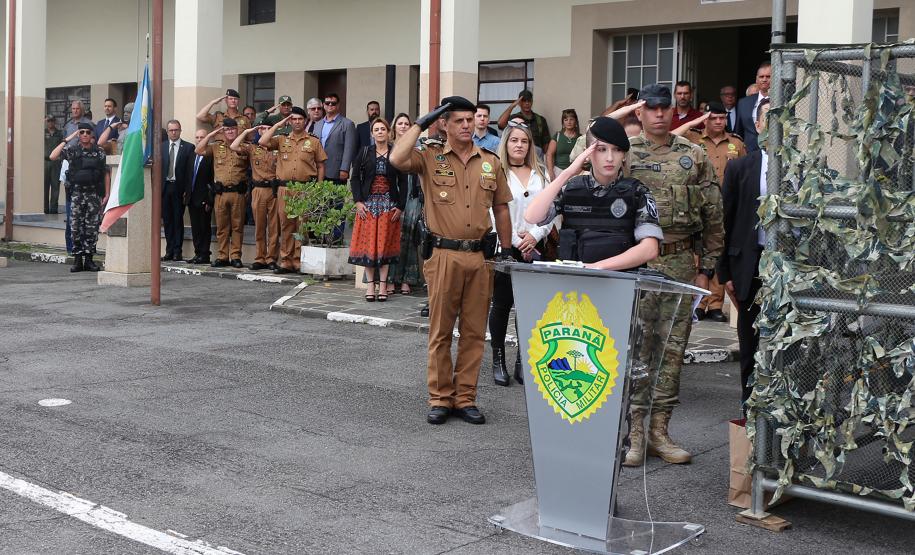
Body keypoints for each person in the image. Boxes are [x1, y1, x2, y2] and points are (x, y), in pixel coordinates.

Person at [391, 95, 514, 426]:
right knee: (441, 331)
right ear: (444, 124)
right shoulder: (429, 157)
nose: (466, 125)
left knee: (474, 332)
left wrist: (506, 250)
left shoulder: (490, 161)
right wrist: (419, 123)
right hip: (443, 255)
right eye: (458, 120)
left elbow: (501, 207)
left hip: (479, 258)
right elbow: (396, 157)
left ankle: (465, 398)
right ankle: (440, 397)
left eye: (470, 119)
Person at [624, 83, 723, 466]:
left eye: (665, 108)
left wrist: (709, 268)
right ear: (640, 112)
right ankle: (634, 434)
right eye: (651, 108)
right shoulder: (625, 154)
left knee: (672, 349)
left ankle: (659, 432)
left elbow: (713, 215)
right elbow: (591, 142)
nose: (660, 114)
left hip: (681, 262)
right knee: (638, 346)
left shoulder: (693, 155)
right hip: (637, 264)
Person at [525, 116, 661, 273]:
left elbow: (649, 249)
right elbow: (532, 216)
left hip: (621, 285)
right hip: (575, 289)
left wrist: (595, 268)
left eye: (617, 150)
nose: (610, 158)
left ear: (624, 155)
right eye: (601, 149)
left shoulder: (638, 192)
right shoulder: (571, 188)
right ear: (587, 153)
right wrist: (567, 173)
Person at [487, 121, 561, 386]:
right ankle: (498, 360)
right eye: (514, 140)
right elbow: (491, 211)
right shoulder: (497, 172)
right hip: (505, 248)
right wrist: (514, 242)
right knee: (502, 304)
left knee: (529, 308)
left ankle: (522, 361)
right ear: (505, 143)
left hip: (536, 248)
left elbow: (552, 211)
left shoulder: (542, 175)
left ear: (531, 146)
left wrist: (535, 236)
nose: (519, 145)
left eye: (524, 141)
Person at [718, 99, 770, 409]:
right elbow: (725, 219)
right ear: (759, 125)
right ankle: (750, 410)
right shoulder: (740, 168)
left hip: (786, 269)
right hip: (749, 266)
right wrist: (724, 273)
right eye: (769, 119)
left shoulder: (803, 169)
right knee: (750, 344)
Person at [683, 102, 747, 322]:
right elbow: (672, 137)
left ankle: (715, 304)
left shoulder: (736, 143)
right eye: (714, 118)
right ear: (705, 119)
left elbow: (745, 173)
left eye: (722, 118)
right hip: (697, 204)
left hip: (724, 206)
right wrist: (695, 123)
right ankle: (698, 303)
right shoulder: (693, 139)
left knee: (718, 251)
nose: (719, 122)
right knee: (696, 254)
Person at [259, 106, 328, 274]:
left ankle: (298, 260)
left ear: (305, 121)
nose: (297, 122)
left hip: (305, 188)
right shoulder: (282, 139)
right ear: (289, 121)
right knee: (286, 224)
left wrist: (318, 188)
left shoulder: (313, 141)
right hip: (285, 188)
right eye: (294, 119)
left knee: (302, 225)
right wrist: (278, 125)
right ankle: (286, 260)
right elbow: (262, 142)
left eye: (300, 119)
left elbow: (320, 165)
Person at [348, 118, 405, 301]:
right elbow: (355, 178)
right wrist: (357, 201)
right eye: (376, 129)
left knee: (384, 246)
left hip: (389, 206)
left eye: (383, 129)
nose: (380, 132)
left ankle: (383, 286)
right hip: (368, 206)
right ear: (372, 134)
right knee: (369, 246)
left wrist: (400, 206)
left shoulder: (396, 153)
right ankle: (370, 286)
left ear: (389, 132)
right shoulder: (364, 152)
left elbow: (403, 182)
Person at [49, 122, 110, 273]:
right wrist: (67, 139)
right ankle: (77, 261)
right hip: (76, 194)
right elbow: (52, 156)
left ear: (92, 135)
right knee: (76, 228)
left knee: (91, 228)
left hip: (93, 195)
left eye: (87, 132)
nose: (84, 135)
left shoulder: (99, 152)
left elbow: (106, 173)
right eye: (81, 132)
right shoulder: (72, 150)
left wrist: (107, 194)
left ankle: (89, 260)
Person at [195, 118, 249, 268]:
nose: (230, 131)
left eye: (232, 129)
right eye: (226, 129)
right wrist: (211, 134)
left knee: (237, 226)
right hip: (220, 193)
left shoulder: (244, 147)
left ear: (237, 130)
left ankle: (236, 256)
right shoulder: (216, 147)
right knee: (222, 227)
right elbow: (198, 150)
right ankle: (222, 256)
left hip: (238, 193)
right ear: (223, 131)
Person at [386, 113, 425, 296]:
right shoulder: (388, 148)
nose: (403, 126)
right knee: (393, 236)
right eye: (400, 123)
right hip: (394, 194)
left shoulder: (417, 147)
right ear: (394, 128)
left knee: (409, 236)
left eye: (406, 123)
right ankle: (390, 279)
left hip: (413, 195)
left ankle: (407, 280)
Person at [231, 125, 280, 270]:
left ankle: (271, 258)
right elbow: (234, 146)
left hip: (274, 189)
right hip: (258, 189)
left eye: (268, 128)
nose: (264, 131)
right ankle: (260, 258)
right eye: (262, 128)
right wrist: (246, 132)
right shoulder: (253, 148)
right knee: (259, 225)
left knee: (273, 227)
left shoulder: (278, 146)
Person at [160, 120, 195, 262]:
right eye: (171, 130)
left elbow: (189, 172)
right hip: (164, 187)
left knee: (177, 220)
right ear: (167, 132)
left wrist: (187, 190)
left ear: (180, 130)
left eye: (176, 130)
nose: (173, 132)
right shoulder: (161, 147)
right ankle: (169, 250)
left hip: (178, 188)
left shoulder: (188, 147)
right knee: (167, 221)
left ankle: (177, 251)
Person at [312, 93, 357, 184]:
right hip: (317, 170)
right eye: (327, 103)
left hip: (336, 170)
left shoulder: (347, 124)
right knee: (318, 198)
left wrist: (345, 169)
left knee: (336, 198)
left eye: (333, 103)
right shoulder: (317, 124)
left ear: (338, 105)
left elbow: (349, 148)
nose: (330, 105)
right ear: (324, 105)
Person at [185, 129, 214, 264]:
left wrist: (209, 199)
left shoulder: (210, 155)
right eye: (197, 137)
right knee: (195, 227)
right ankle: (197, 253)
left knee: (204, 227)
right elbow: (188, 175)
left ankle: (205, 254)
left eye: (202, 137)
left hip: (204, 198)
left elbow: (212, 179)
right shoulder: (192, 155)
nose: (199, 139)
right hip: (192, 197)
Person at [735, 62, 771, 152]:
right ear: (756, 79)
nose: (764, 79)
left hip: (773, 154)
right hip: (749, 153)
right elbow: (738, 132)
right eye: (761, 77)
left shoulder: (782, 102)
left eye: (768, 76)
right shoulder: (743, 103)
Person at [545, 108, 581, 178]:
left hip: (575, 173)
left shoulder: (580, 138)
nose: (569, 122)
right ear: (563, 123)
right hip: (558, 171)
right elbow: (549, 154)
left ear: (576, 122)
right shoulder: (557, 136)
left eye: (571, 119)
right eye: (566, 120)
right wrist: (551, 171)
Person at [44, 116, 64, 214]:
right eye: (48, 121)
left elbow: (62, 146)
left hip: (56, 162)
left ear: (55, 122)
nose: (50, 123)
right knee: (44, 186)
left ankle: (53, 209)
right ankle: (45, 208)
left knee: (55, 186)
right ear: (45, 121)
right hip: (45, 162)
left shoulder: (60, 134)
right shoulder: (42, 132)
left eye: (52, 120)